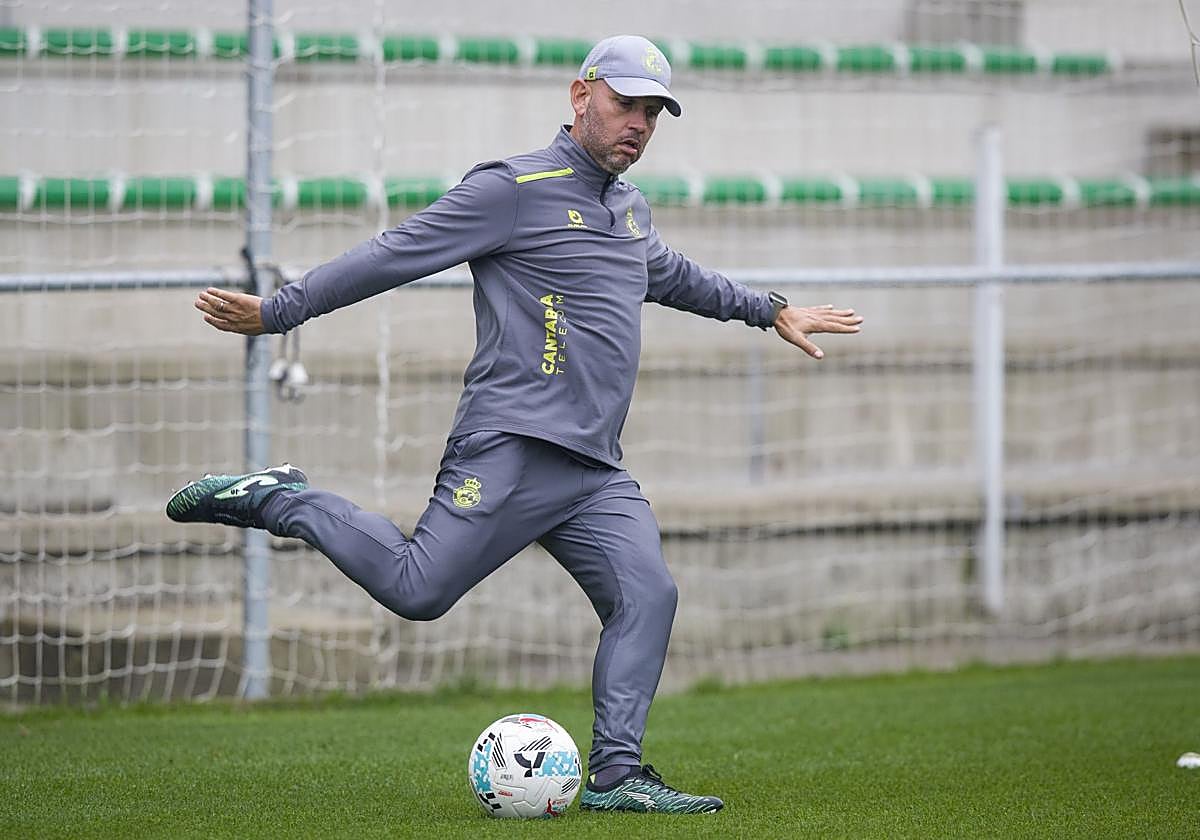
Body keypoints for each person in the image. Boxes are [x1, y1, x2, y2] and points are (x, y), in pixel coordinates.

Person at [167, 34, 862, 815]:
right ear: (580, 95)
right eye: (624, 103)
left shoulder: (629, 211)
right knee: (417, 590)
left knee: (649, 595)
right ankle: (280, 498)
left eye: (652, 112)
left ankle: (615, 776)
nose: (637, 123)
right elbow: (396, 252)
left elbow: (674, 276)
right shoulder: (510, 187)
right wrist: (280, 310)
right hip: (509, 446)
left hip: (594, 471)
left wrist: (770, 310)